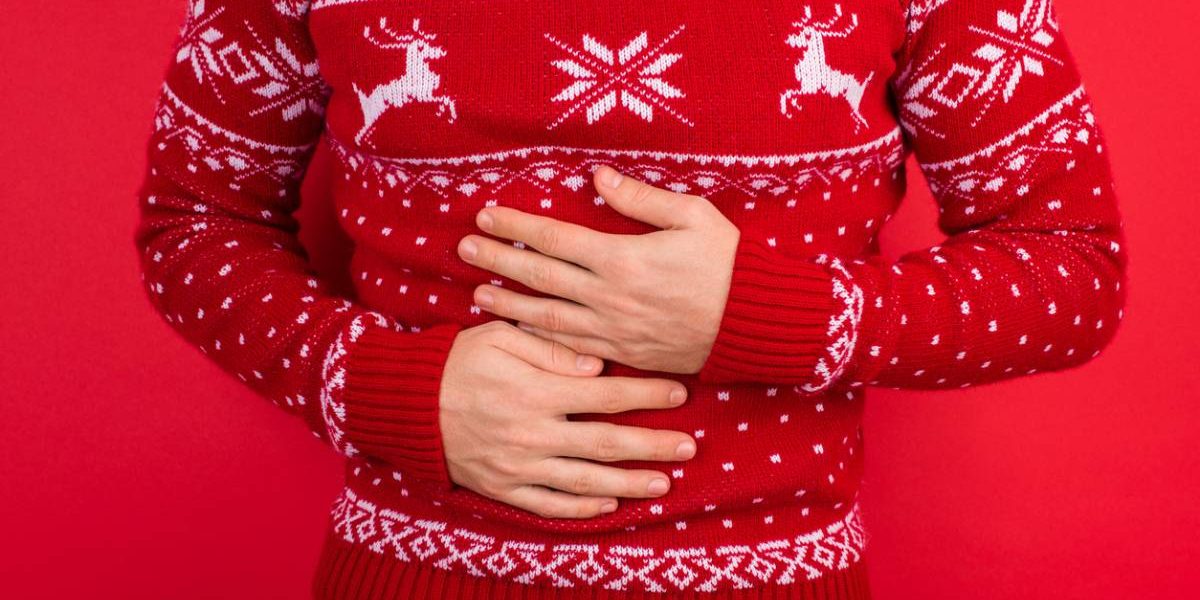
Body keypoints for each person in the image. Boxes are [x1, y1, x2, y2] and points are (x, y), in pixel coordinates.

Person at [133, 0, 1126, 597]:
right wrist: (384, 387)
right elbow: (193, 222)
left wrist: (772, 317)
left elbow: (1074, 269)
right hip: (410, 575)